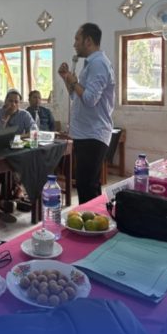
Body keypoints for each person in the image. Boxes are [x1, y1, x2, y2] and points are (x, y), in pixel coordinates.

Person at [57, 22, 116, 205]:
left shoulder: (98, 64)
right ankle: (95, 222)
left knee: (86, 185)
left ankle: (90, 226)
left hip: (93, 134)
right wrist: (67, 79)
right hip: (86, 133)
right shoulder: (91, 64)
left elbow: (90, 99)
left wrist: (74, 82)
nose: (74, 44)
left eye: (77, 39)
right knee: (89, 184)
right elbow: (77, 96)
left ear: (88, 41)